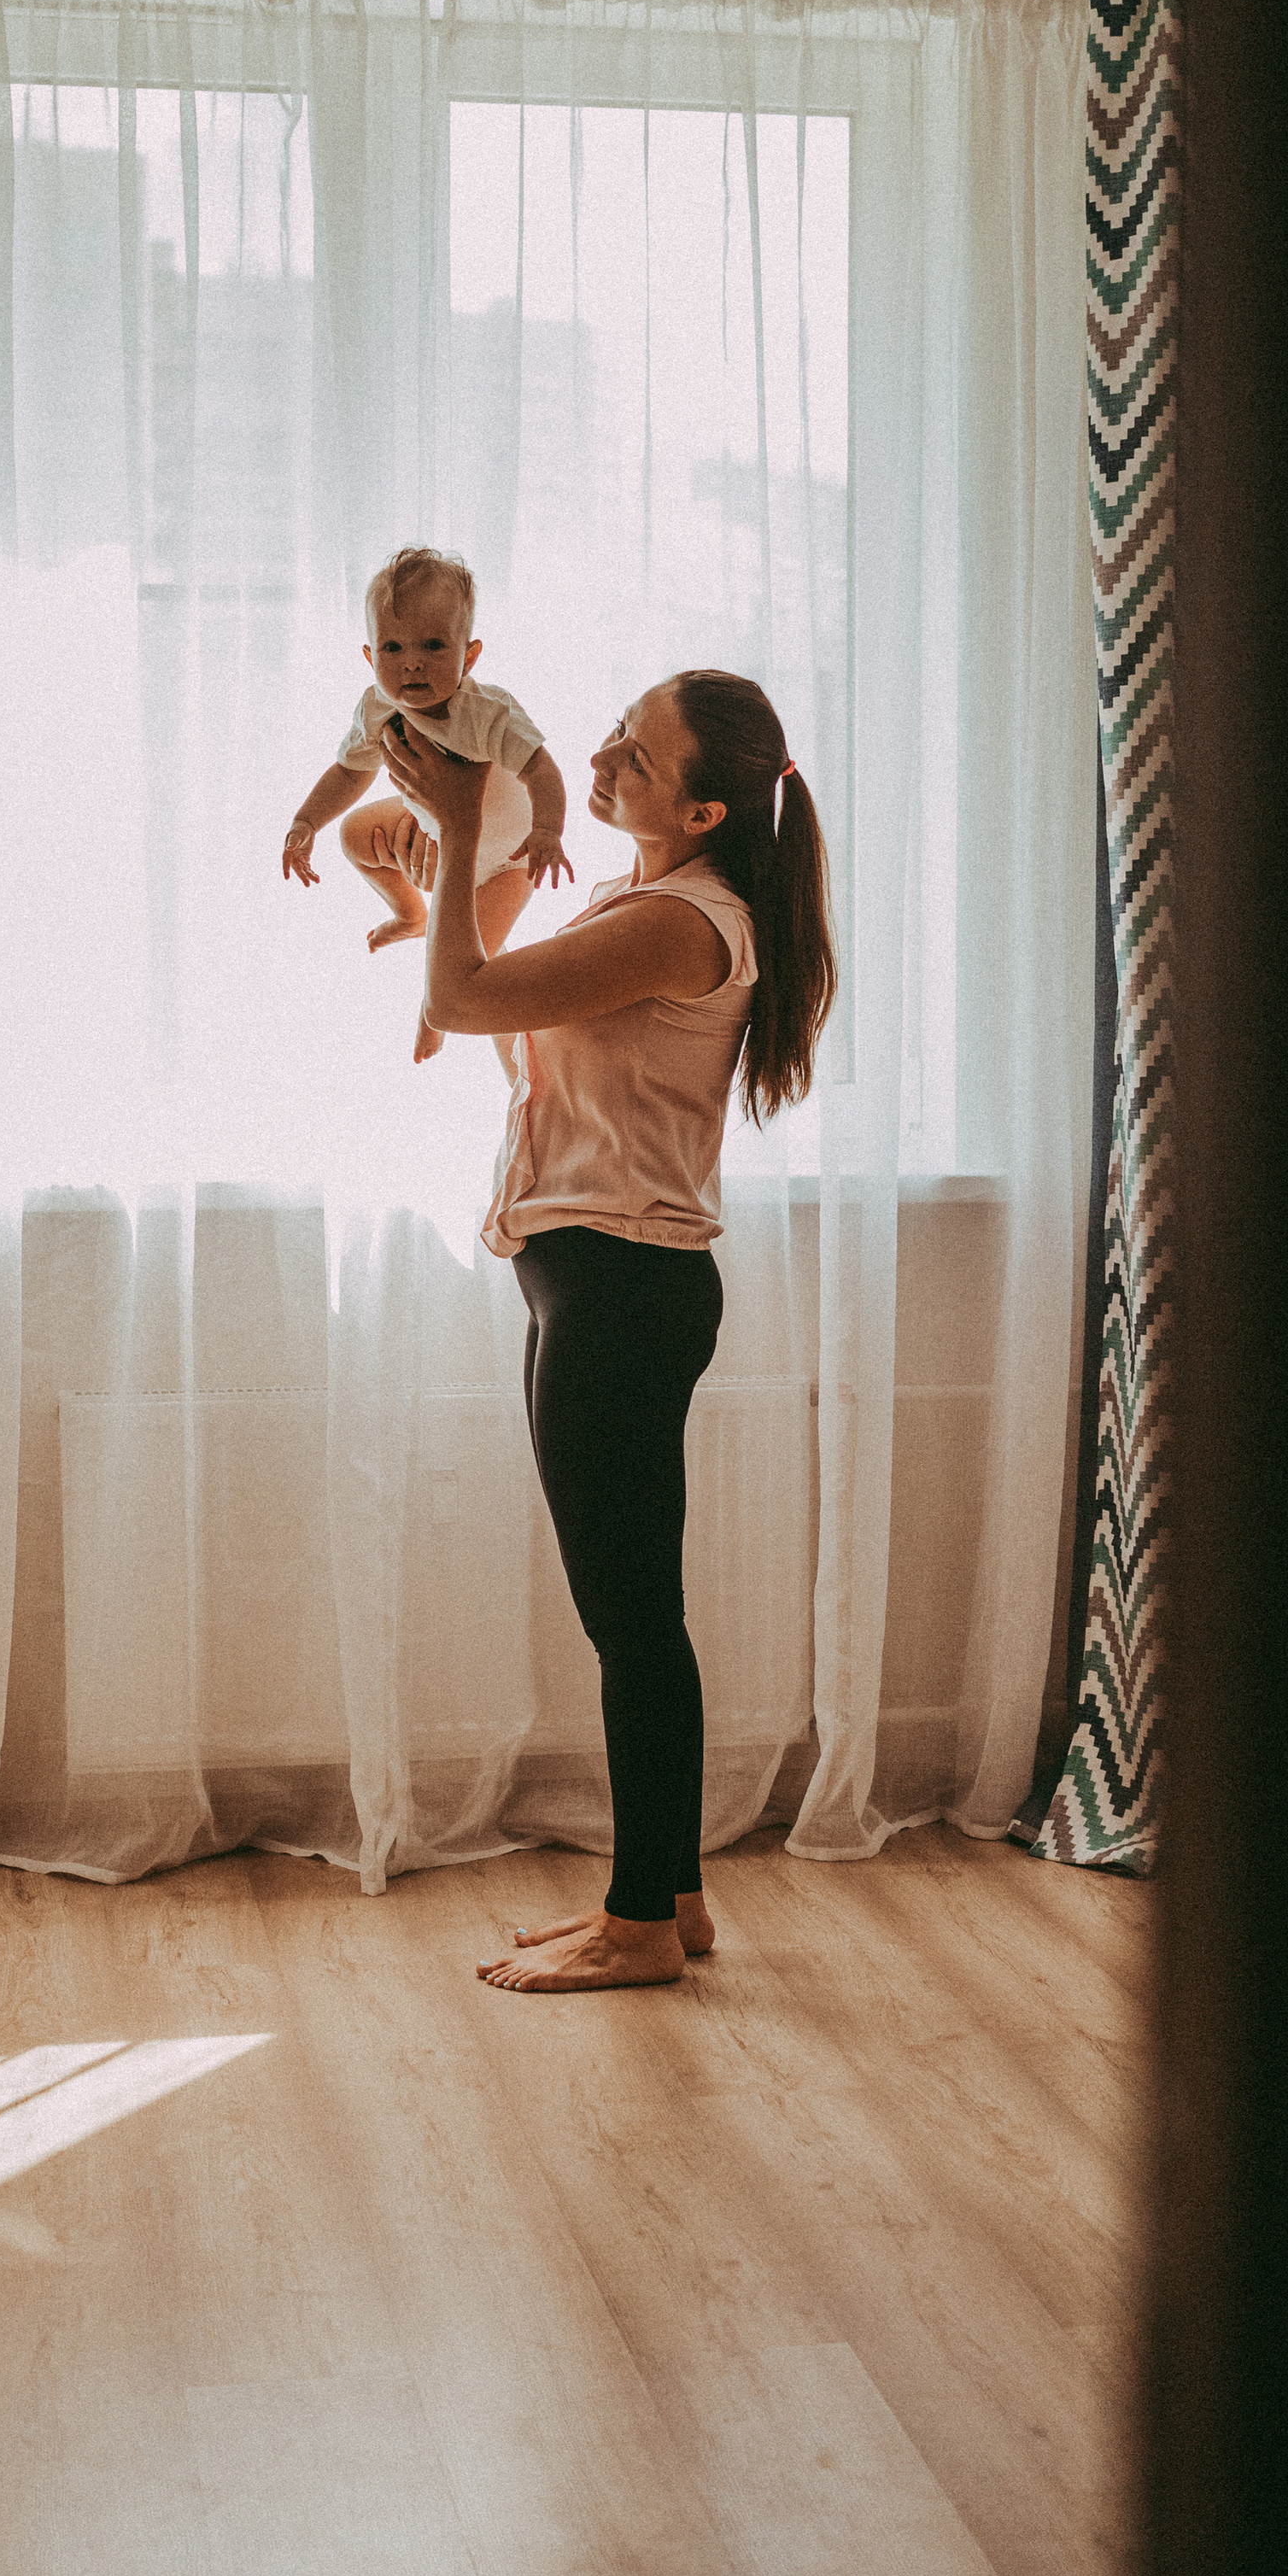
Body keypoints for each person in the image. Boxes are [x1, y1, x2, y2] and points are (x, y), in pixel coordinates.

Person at [381, 669, 837, 1993]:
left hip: (623, 1290)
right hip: (598, 1281)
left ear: (700, 808)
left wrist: (469, 828)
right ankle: (673, 1898)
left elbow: (463, 1002)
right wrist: (461, 871)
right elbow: (461, 997)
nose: (600, 755)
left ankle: (639, 1924)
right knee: (636, 1611)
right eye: (616, 736)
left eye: (633, 756)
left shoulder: (681, 921)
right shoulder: (645, 903)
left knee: (631, 1618)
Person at [279, 547, 571, 1060]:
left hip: (509, 857)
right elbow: (351, 771)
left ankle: (433, 1012)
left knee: (470, 958)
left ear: (470, 655)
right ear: (370, 658)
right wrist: (306, 821)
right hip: (436, 831)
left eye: (433, 645)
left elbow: (542, 769)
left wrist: (548, 829)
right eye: (392, 647)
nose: (411, 661)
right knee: (354, 834)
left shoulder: (486, 712)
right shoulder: (378, 706)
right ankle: (409, 912)